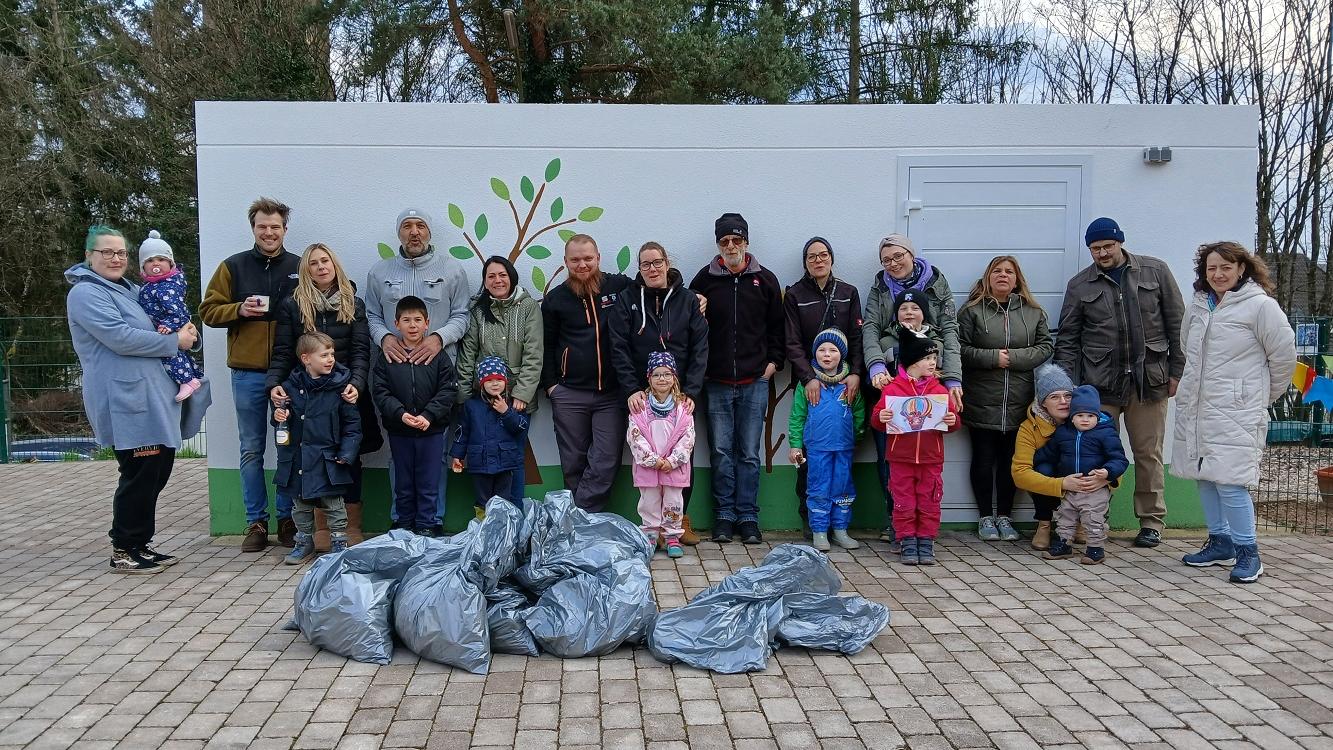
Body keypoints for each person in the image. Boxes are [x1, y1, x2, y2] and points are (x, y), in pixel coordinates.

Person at [68, 225, 201, 573]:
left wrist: (187, 334)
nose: (115, 258)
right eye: (107, 252)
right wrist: (175, 342)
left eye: (121, 252)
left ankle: (141, 541)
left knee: (156, 470)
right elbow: (121, 338)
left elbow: (163, 322)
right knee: (139, 472)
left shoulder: (130, 290)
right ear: (89, 257)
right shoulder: (86, 294)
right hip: (125, 400)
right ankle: (124, 548)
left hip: (151, 398)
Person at [1054, 217, 1185, 548]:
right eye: (1095, 249)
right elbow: (1068, 338)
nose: (1101, 254)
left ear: (1120, 243)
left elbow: (1179, 325)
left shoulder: (1155, 271)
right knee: (1095, 455)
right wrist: (1072, 387)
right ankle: (1095, 519)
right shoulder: (1079, 284)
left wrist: (1177, 371)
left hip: (1149, 381)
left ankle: (1151, 521)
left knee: (1148, 454)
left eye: (1107, 247)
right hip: (1099, 388)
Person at [1171, 242, 1295, 583]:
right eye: (1212, 268)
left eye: (1226, 267)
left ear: (1242, 268)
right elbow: (1187, 348)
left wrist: (1257, 397)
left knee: (1231, 481)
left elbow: (1283, 358)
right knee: (1206, 475)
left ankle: (1248, 553)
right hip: (1198, 406)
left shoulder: (1261, 307)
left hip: (1236, 409)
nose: (1218, 274)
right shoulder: (1199, 306)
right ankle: (1220, 541)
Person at [200, 197, 302, 553]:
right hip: (246, 374)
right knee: (251, 450)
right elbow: (208, 311)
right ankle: (255, 521)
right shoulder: (233, 267)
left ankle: (288, 518)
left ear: (285, 230)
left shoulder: (299, 266)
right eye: (263, 226)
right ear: (253, 229)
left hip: (289, 374)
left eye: (275, 227)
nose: (269, 232)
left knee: (288, 446)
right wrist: (239, 309)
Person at [365, 208, 470, 533]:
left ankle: (431, 521)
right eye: (407, 226)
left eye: (420, 226)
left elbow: (462, 314)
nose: (414, 232)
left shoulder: (451, 270)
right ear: (399, 233)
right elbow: (371, 314)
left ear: (429, 232)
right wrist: (384, 339)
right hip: (396, 380)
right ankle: (402, 522)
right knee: (399, 458)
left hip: (436, 379)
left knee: (435, 457)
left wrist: (439, 337)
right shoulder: (380, 272)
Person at [266, 243, 375, 547]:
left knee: (349, 457)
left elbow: (361, 351)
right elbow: (285, 351)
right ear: (306, 270)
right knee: (309, 457)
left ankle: (350, 526)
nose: (320, 267)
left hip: (346, 392)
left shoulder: (354, 302)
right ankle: (318, 530)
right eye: (313, 263)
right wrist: (274, 383)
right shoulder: (293, 304)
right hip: (308, 394)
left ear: (334, 264)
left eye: (325, 260)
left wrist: (357, 383)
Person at [690, 213, 785, 545]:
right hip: (715, 381)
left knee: (748, 452)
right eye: (724, 241)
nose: (730, 246)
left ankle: (747, 516)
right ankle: (724, 516)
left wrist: (773, 364)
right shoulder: (703, 280)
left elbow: (778, 328)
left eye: (736, 240)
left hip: (754, 381)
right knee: (720, 451)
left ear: (746, 241)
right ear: (718, 244)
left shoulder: (765, 280)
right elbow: (691, 327)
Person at [863, 234, 962, 544]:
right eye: (886, 259)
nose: (893, 263)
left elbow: (950, 332)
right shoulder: (879, 288)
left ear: (911, 254)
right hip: (892, 391)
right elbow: (869, 329)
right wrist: (877, 365)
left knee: (926, 470)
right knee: (890, 461)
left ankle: (923, 532)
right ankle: (899, 523)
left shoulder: (936, 284)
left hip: (929, 396)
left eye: (898, 256)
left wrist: (953, 379)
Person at [609, 242, 709, 545]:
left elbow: (700, 347)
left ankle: (678, 524)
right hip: (642, 396)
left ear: (667, 263)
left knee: (680, 456)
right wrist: (630, 389)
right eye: (645, 264)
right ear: (639, 269)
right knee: (649, 458)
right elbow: (618, 347)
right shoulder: (628, 300)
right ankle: (652, 529)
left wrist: (690, 390)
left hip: (680, 395)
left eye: (657, 263)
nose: (652, 269)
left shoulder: (688, 301)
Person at [958, 256, 1053, 542]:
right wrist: (991, 358)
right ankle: (986, 516)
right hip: (981, 398)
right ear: (988, 277)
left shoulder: (1033, 312)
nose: (1002, 275)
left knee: (1012, 460)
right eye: (997, 271)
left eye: (1008, 272)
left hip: (1019, 400)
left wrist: (1012, 358)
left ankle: (1006, 516)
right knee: (984, 459)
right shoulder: (972, 311)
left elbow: (1046, 345)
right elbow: (958, 348)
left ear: (1017, 279)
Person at [542, 234, 634, 512]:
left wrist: (685, 288)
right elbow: (545, 346)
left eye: (588, 259)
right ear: (566, 262)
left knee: (606, 457)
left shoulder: (620, 286)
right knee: (573, 460)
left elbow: (655, 284)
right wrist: (551, 386)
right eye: (575, 260)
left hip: (611, 393)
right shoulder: (556, 299)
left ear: (598, 258)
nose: (582, 265)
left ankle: (582, 514)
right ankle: (584, 520)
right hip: (569, 392)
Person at [783, 237, 863, 535]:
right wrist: (808, 378)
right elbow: (791, 342)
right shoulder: (795, 294)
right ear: (805, 262)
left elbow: (856, 338)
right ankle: (811, 521)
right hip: (809, 383)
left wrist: (855, 372)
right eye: (812, 256)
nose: (818, 260)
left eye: (824, 255)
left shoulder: (848, 292)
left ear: (832, 258)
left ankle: (839, 524)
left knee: (840, 463)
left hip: (844, 384)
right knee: (808, 457)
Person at [456, 256, 544, 503]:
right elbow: (468, 354)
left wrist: (522, 395)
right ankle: (487, 519)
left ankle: (513, 519)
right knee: (483, 458)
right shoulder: (477, 309)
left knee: (513, 458)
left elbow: (534, 354)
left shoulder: (527, 307)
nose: (497, 280)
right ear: (485, 281)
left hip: (515, 402)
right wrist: (464, 395)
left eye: (502, 275)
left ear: (512, 277)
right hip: (482, 401)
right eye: (491, 276)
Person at [273, 333, 362, 564]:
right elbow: (280, 420)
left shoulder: (341, 387)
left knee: (334, 504)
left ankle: (339, 543)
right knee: (300, 504)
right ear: (306, 358)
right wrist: (279, 415)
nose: (330, 359)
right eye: (324, 355)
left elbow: (352, 426)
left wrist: (347, 453)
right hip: (299, 458)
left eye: (332, 354)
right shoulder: (290, 388)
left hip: (329, 458)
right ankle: (303, 541)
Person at [871, 333, 959, 565]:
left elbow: (952, 424)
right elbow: (877, 420)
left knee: (929, 499)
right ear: (911, 361)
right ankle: (907, 539)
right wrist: (882, 416)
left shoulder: (939, 391)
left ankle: (926, 540)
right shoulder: (892, 390)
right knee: (903, 500)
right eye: (928, 357)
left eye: (934, 357)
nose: (933, 362)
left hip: (931, 458)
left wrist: (952, 420)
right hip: (900, 458)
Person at [374, 296, 459, 535]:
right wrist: (400, 414)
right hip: (399, 430)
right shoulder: (387, 357)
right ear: (396, 324)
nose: (412, 325)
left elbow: (448, 389)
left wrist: (429, 415)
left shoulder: (438, 357)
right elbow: (381, 392)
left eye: (417, 320)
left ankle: (426, 525)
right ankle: (404, 524)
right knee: (403, 480)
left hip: (431, 430)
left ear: (427, 323)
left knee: (429, 481)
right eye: (406, 320)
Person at [1011, 364, 1109, 550]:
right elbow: (1020, 473)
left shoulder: (1092, 421)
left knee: (1094, 466)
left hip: (1088, 485)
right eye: (1054, 397)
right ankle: (1044, 525)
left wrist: (1105, 479)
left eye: (1068, 395)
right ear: (1042, 403)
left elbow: (1116, 459)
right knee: (1044, 469)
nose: (1063, 401)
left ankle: (1083, 524)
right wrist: (1062, 484)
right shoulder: (1029, 427)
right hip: (1056, 483)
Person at [788, 328, 866, 552]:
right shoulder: (808, 385)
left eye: (833, 350)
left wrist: (857, 436)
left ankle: (840, 530)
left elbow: (859, 413)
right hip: (817, 449)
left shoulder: (849, 385)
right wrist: (795, 444)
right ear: (815, 354)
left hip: (843, 448)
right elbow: (797, 417)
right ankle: (820, 531)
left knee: (843, 489)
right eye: (821, 349)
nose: (827, 354)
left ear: (842, 354)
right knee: (818, 489)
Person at [1033, 385, 1129, 565]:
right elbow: (1050, 452)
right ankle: (1063, 544)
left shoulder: (1106, 433)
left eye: (1090, 416)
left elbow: (1119, 459)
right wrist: (1034, 460)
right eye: (1080, 415)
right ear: (1072, 416)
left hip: (1094, 487)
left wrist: (1107, 472)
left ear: (1097, 415)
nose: (1085, 420)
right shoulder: (1063, 432)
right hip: (1071, 487)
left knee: (1093, 519)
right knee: (1065, 516)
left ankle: (1095, 549)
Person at [627, 352, 697, 559]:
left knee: (674, 502)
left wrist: (673, 461)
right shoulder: (640, 408)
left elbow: (688, 438)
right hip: (649, 467)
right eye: (657, 375)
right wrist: (653, 460)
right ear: (649, 378)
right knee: (649, 502)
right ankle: (650, 534)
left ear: (674, 377)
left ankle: (672, 536)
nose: (662, 379)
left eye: (667, 374)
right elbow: (635, 437)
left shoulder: (682, 409)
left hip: (674, 467)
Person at [451, 356, 529, 515]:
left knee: (503, 501)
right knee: (482, 501)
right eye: (489, 380)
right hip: (480, 463)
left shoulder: (511, 404)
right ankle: (483, 530)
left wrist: (506, 412)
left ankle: (503, 531)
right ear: (481, 383)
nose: (494, 383)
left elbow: (520, 427)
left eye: (499, 379)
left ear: (505, 381)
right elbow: (462, 432)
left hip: (505, 462)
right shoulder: (471, 405)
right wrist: (457, 456)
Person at [136, 230, 203, 402]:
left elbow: (177, 311)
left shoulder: (168, 286)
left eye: (161, 259)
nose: (155, 263)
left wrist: (169, 325)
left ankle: (187, 380)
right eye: (149, 260)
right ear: (143, 266)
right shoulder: (151, 285)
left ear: (170, 263)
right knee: (173, 354)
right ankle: (188, 378)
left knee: (171, 354)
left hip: (168, 327)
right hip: (162, 328)